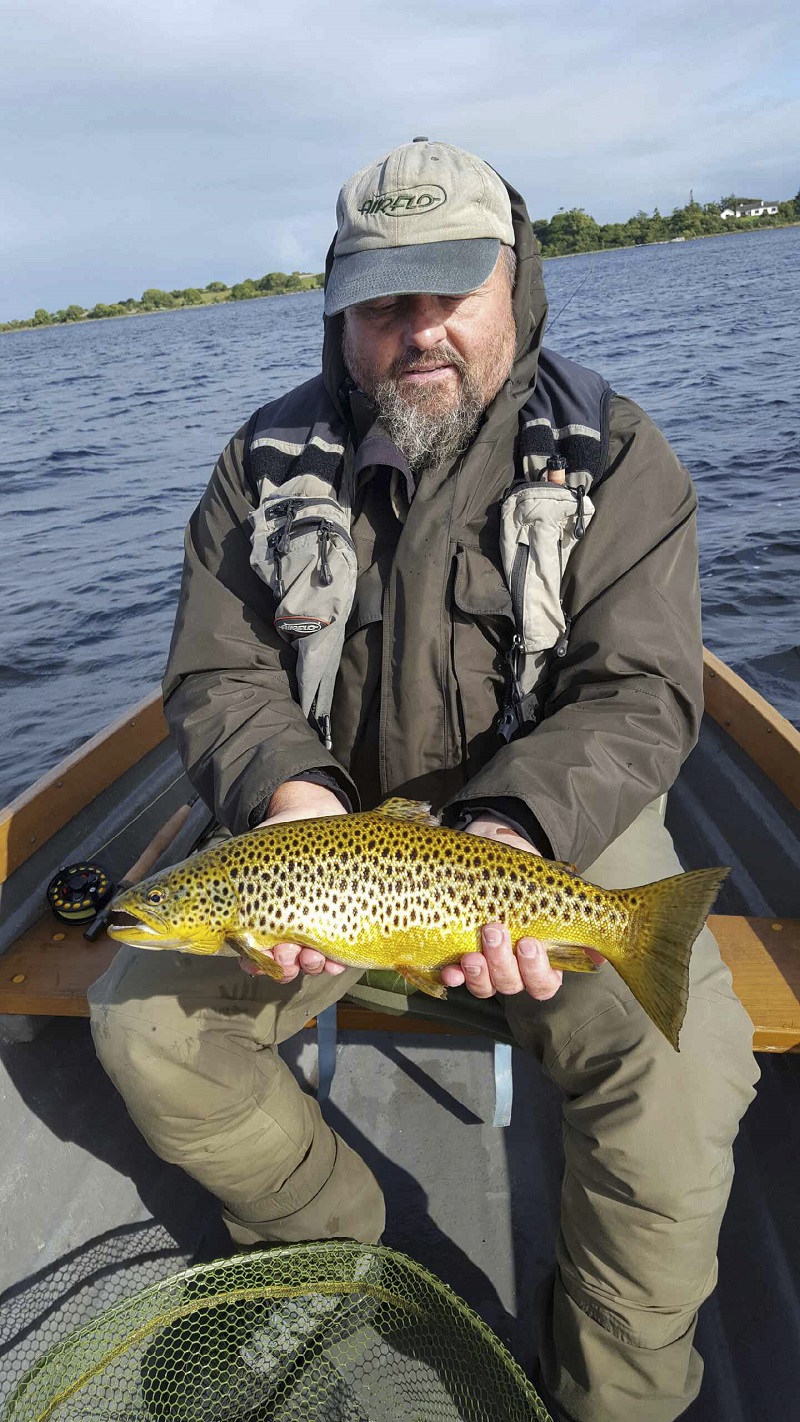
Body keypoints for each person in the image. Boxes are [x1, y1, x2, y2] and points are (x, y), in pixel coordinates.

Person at [89, 140, 759, 1422]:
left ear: (517, 281)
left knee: (682, 1074)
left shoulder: (617, 456)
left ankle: (614, 1396)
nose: (420, 332)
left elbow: (640, 696)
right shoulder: (258, 464)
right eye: (384, 300)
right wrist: (291, 794)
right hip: (323, 845)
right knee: (141, 1024)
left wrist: (515, 826)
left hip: (553, 837)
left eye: (451, 290)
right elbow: (217, 680)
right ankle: (354, 1257)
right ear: (338, 307)